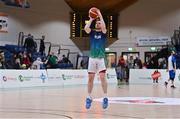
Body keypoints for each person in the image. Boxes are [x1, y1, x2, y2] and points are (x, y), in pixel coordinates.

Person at [84, 8, 108, 109]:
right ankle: (89, 97)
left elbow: (104, 27)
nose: (98, 24)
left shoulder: (103, 33)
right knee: (90, 79)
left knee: (102, 77)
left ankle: (105, 97)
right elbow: (86, 28)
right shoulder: (92, 33)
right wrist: (91, 18)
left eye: (100, 23)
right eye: (97, 23)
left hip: (101, 58)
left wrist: (99, 14)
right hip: (92, 58)